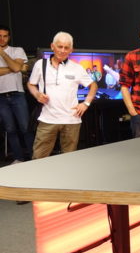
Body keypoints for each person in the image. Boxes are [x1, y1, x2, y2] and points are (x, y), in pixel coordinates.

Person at [27, 32, 97, 159]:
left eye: (66, 47)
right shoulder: (40, 64)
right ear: (52, 46)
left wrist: (86, 103)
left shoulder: (77, 68)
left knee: (69, 159)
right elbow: (31, 84)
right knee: (38, 157)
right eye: (60, 46)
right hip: (47, 119)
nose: (63, 50)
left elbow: (93, 85)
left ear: (71, 50)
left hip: (71, 120)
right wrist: (37, 94)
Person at [0, 25, 34, 163]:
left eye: (5, 36)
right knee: (10, 129)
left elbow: (16, 67)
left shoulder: (17, 50)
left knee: (25, 128)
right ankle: (18, 158)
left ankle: (34, 158)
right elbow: (16, 68)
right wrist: (16, 68)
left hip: (17, 94)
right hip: (1, 96)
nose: (2, 39)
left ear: (9, 37)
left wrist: (3, 54)